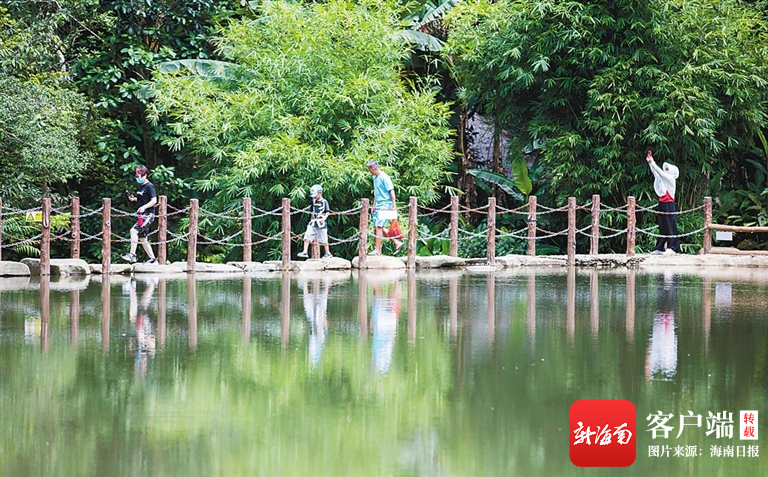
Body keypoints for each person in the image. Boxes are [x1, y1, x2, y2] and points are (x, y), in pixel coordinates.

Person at [646, 150, 682, 255]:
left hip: (669, 204)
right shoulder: (663, 179)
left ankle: (673, 248)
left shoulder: (671, 179)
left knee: (670, 226)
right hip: (662, 203)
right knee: (662, 226)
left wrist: (652, 162)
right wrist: (650, 163)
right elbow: (656, 173)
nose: (665, 170)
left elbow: (660, 173)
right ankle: (660, 248)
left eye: (667, 169)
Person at [122, 165, 158, 264]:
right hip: (141, 215)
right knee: (142, 238)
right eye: (136, 176)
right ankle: (153, 259)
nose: (137, 178)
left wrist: (144, 207)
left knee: (133, 231)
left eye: (139, 176)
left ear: (145, 175)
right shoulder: (141, 187)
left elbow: (154, 200)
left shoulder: (149, 186)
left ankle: (132, 255)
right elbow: (142, 199)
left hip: (148, 215)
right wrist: (134, 199)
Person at [366, 160, 403, 256]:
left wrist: (394, 206)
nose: (369, 171)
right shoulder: (375, 178)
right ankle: (396, 242)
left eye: (369, 169)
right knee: (378, 227)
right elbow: (376, 192)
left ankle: (377, 250)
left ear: (373, 168)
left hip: (386, 204)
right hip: (378, 205)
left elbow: (391, 191)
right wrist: (374, 205)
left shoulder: (384, 177)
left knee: (378, 226)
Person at [297, 184, 332, 259]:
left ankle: (328, 253)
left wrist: (324, 218)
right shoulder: (313, 201)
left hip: (321, 223)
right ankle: (305, 252)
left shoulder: (324, 202)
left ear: (320, 193)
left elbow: (327, 212)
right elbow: (312, 212)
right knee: (307, 236)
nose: (314, 197)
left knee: (324, 239)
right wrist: (311, 220)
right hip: (313, 222)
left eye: (315, 195)